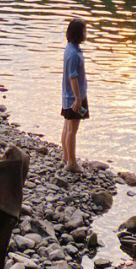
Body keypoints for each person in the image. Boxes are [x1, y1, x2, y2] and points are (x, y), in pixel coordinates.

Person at [60, 18, 89, 174]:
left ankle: (66, 157)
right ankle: (71, 162)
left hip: (69, 96)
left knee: (67, 127)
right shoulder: (73, 54)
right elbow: (73, 77)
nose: (86, 34)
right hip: (74, 98)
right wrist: (78, 99)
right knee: (72, 129)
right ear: (78, 33)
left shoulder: (71, 49)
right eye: (84, 31)